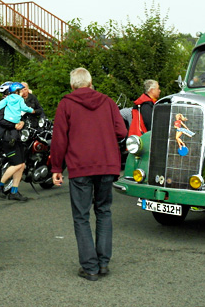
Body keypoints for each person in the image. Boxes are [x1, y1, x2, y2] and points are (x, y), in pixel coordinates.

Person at [50, 67, 127, 281]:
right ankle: (103, 264)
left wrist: (56, 168)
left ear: (73, 85)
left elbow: (59, 140)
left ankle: (90, 267)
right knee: (104, 211)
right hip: (106, 165)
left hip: (80, 166)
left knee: (81, 216)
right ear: (90, 83)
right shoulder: (108, 102)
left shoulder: (66, 104)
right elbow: (121, 131)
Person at [0, 82, 30, 201]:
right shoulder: (4, 103)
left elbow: (22, 116)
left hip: (16, 137)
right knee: (17, 164)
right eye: (19, 91)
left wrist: (22, 123)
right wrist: (14, 125)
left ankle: (14, 191)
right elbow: (0, 120)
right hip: (7, 138)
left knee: (22, 165)